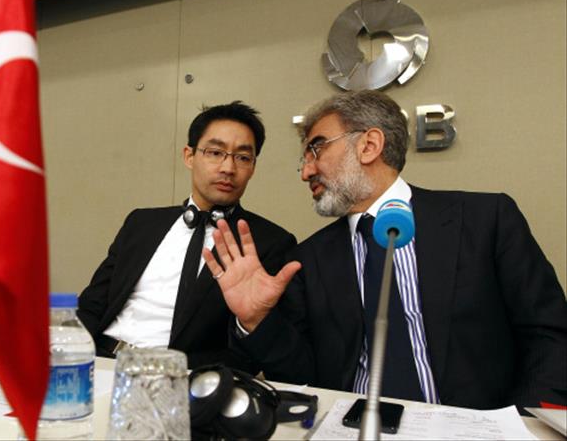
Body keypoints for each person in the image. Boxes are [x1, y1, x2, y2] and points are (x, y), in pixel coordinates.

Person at [204, 90, 567, 409]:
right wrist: (257, 321)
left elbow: (549, 335)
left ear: (369, 145)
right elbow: (302, 375)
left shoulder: (486, 220)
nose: (306, 171)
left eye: (316, 149)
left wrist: (525, 425)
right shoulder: (309, 258)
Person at [77, 101, 296, 369]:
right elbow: (92, 306)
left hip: (179, 376)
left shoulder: (270, 242)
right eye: (215, 152)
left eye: (242, 157)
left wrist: (251, 323)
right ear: (189, 156)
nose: (228, 168)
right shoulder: (141, 223)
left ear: (253, 167)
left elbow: (245, 356)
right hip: (101, 361)